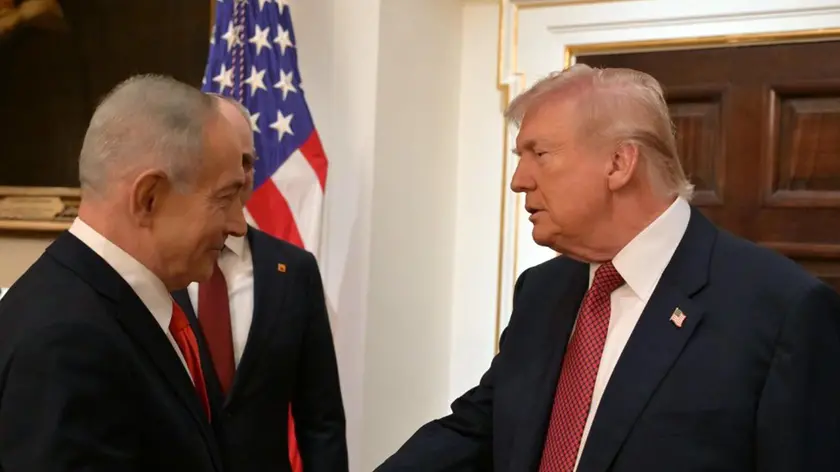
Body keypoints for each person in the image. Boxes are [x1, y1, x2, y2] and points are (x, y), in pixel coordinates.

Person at [376, 64, 840, 471]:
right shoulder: (542, 290)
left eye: (539, 154)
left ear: (619, 163)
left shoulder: (781, 309)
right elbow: (481, 429)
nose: (518, 181)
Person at [0, 74, 247, 471]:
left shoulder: (126, 306)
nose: (238, 225)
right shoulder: (68, 343)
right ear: (149, 197)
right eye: (225, 198)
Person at [171, 94, 348, 472]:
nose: (240, 175)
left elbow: (321, 419)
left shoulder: (295, 271)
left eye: (247, 161)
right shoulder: (158, 268)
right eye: (225, 162)